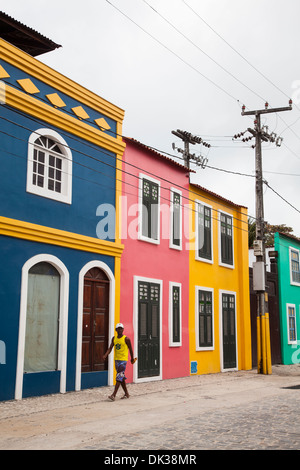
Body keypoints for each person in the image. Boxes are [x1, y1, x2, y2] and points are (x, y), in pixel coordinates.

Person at [103, 323, 135, 401]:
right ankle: (126, 393)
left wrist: (132, 358)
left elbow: (130, 349)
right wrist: (105, 355)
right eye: (118, 328)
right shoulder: (114, 338)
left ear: (123, 330)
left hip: (123, 360)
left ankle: (113, 395)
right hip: (116, 360)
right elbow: (110, 348)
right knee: (121, 377)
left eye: (121, 328)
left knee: (119, 376)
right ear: (116, 330)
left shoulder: (126, 339)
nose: (120, 330)